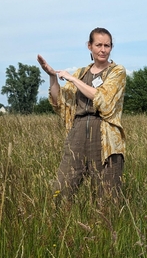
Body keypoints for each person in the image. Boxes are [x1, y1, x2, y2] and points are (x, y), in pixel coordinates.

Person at [37, 27, 126, 202]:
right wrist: (52, 77)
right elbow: (60, 103)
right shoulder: (81, 73)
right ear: (89, 46)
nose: (103, 50)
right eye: (98, 45)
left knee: (107, 196)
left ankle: (107, 228)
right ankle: (59, 226)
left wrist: (73, 79)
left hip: (104, 134)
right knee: (61, 192)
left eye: (107, 45)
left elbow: (104, 99)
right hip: (77, 133)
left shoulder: (117, 71)